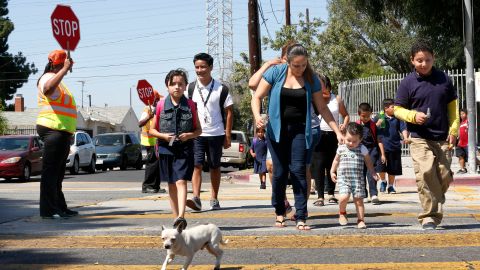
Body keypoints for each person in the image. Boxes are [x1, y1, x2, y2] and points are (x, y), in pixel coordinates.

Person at [251, 43, 344, 231]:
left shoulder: (312, 79)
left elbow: (323, 108)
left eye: (303, 65)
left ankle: (301, 216)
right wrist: (257, 117)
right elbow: (256, 96)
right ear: (288, 62)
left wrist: (337, 131)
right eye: (296, 65)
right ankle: (279, 212)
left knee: (299, 171)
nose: (300, 69)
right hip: (277, 130)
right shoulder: (276, 72)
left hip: (301, 130)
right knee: (279, 172)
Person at [394, 39, 459, 230]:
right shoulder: (407, 83)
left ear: (434, 58)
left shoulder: (444, 79)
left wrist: (454, 130)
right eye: (419, 60)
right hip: (418, 136)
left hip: (443, 137)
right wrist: (412, 116)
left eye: (427, 60)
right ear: (412, 60)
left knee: (444, 175)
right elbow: (397, 109)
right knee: (425, 173)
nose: (424, 64)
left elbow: (453, 108)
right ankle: (429, 216)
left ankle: (437, 195)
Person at [149, 69, 202, 229]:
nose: (177, 87)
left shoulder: (191, 105)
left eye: (180, 84)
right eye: (173, 84)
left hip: (185, 149)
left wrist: (189, 135)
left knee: (181, 181)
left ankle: (181, 216)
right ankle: (175, 218)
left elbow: (199, 130)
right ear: (167, 86)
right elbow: (151, 130)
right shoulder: (160, 105)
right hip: (166, 149)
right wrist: (163, 136)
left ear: (186, 86)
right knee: (171, 184)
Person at [186, 53, 233, 211]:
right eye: (197, 67)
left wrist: (227, 135)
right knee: (197, 165)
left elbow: (229, 112)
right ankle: (196, 198)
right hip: (197, 134)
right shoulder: (190, 88)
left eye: (203, 67)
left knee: (214, 167)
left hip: (216, 133)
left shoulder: (221, 88)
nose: (200, 70)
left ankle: (214, 198)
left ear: (211, 67)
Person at [36, 50, 78, 219]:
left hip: (62, 131)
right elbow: (47, 89)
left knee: (58, 174)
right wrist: (64, 70)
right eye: (63, 64)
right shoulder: (47, 77)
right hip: (52, 129)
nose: (65, 68)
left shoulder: (60, 82)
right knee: (51, 172)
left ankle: (60, 206)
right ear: (56, 64)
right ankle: (48, 210)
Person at [311, 75, 350, 207]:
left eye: (323, 86)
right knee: (319, 165)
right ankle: (320, 196)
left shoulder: (336, 98)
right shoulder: (315, 98)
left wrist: (343, 125)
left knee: (331, 164)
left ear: (329, 86)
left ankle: (331, 194)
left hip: (334, 134)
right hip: (319, 133)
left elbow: (346, 115)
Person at [330, 122, 378, 229]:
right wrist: (332, 171)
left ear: (360, 139)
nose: (351, 143)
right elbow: (336, 161)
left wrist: (373, 172)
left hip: (358, 180)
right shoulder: (341, 148)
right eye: (348, 140)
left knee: (359, 201)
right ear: (344, 137)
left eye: (354, 141)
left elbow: (368, 162)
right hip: (344, 179)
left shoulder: (362, 148)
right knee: (343, 197)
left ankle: (361, 220)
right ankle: (342, 212)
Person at [376, 98, 409, 194]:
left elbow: (403, 128)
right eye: (392, 107)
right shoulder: (379, 116)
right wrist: (377, 124)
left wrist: (405, 137)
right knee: (381, 167)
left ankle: (390, 186)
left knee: (393, 168)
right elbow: (372, 127)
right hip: (382, 147)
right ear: (386, 108)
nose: (394, 109)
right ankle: (383, 182)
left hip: (394, 146)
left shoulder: (397, 117)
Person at [357, 102, 386, 205]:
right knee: (361, 173)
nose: (365, 118)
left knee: (371, 172)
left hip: (372, 151)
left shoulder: (374, 126)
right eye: (363, 116)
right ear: (359, 114)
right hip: (360, 152)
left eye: (368, 116)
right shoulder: (356, 126)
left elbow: (379, 140)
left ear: (371, 114)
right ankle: (363, 195)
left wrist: (382, 154)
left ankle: (374, 194)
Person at [139, 91, 165, 193]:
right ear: (153, 99)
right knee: (152, 164)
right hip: (149, 142)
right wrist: (149, 116)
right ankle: (147, 186)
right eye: (157, 99)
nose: (159, 101)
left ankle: (156, 186)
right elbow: (140, 123)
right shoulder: (147, 110)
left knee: (157, 164)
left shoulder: (156, 109)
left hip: (156, 141)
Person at [455, 108, 479, 174]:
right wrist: (458, 140)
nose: (461, 115)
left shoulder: (468, 121)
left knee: (471, 157)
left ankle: (479, 164)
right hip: (461, 143)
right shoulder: (461, 123)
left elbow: (473, 130)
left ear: (467, 114)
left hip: (468, 143)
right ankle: (463, 169)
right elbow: (460, 133)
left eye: (463, 114)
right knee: (460, 156)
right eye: (460, 114)